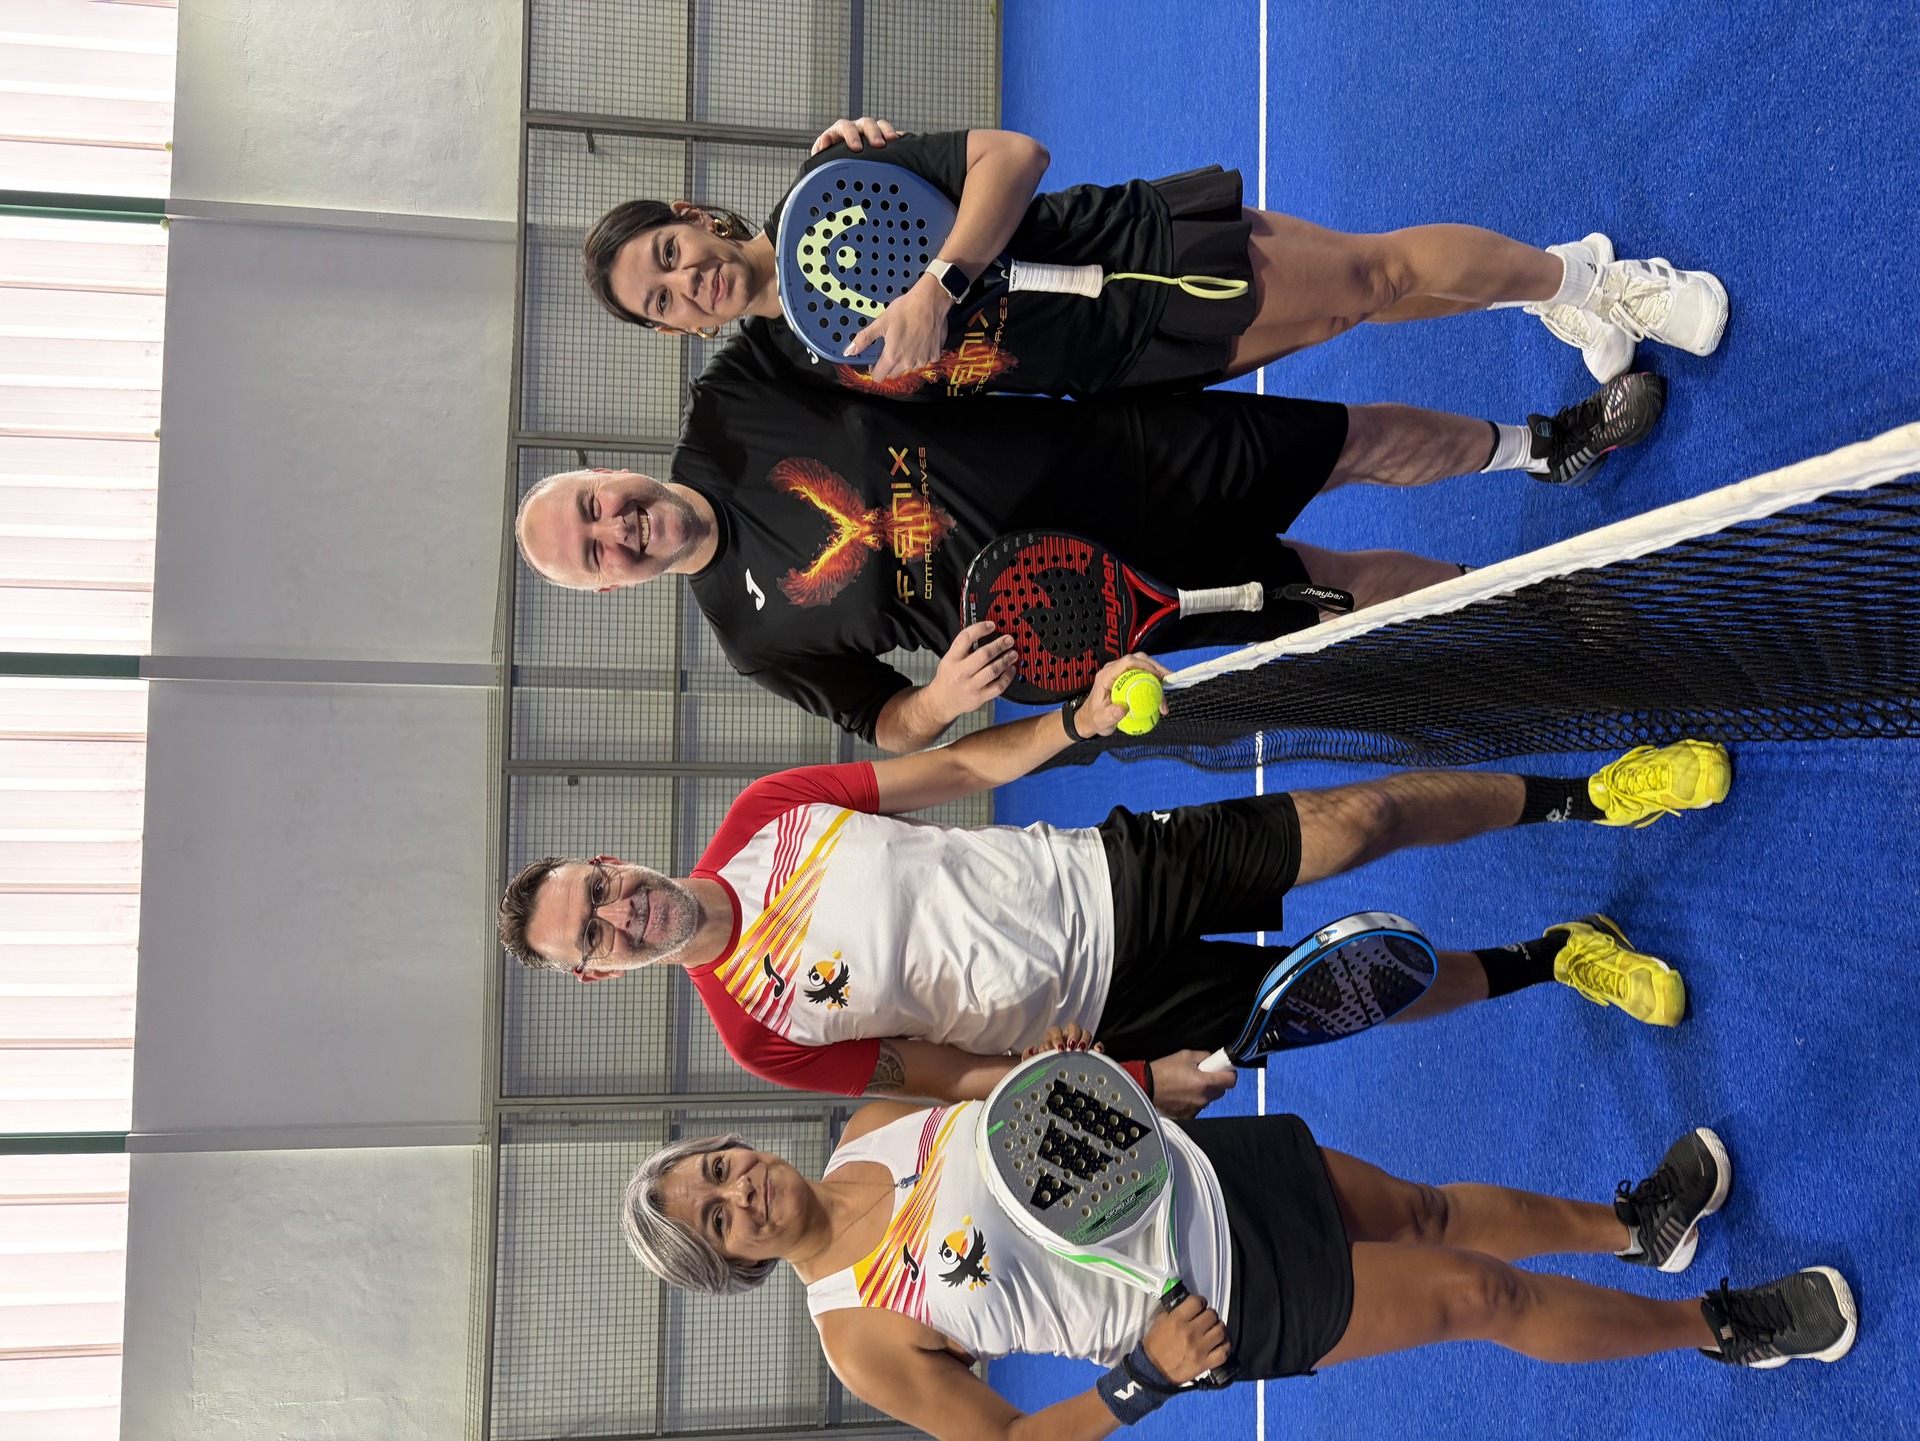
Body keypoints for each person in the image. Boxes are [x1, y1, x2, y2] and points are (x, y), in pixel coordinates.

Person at [495, 650, 1734, 1119]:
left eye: (597, 888)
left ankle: (1590, 794)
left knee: (1365, 820)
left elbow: (955, 767)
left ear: (610, 856)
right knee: (1365, 990)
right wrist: (1117, 1082)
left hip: (1106, 876)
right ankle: (1560, 955)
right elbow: (940, 1074)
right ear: (601, 973)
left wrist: (1073, 724)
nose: (618, 912)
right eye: (593, 935)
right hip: (1104, 1019)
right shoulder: (757, 1034)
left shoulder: (769, 816)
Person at [514, 333, 1666, 750]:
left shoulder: (730, 399)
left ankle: (1543, 444)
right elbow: (884, 723)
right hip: (1094, 603)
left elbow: (808, 291)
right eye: (596, 551)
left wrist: (849, 164)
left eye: (596, 505)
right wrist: (943, 698)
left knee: (1345, 442)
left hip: (1118, 454)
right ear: (611, 588)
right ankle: (1533, 601)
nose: (619, 528)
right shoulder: (751, 640)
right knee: (1326, 587)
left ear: (608, 472)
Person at [620, 1110, 1856, 1441]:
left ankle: (1637, 1224)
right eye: (721, 1220)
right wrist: (1142, 1382)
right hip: (1211, 1301)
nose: (744, 1192)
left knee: (1427, 1207)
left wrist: (1093, 1074)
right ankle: (1717, 1324)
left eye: (720, 1168)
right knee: (1483, 1295)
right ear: (732, 1265)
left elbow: (1020, 1099)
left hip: (1200, 1169)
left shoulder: (869, 1127)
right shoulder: (855, 1335)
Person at [584, 119, 1727, 394]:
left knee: (1372, 272)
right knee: (1355, 311)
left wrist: (939, 285)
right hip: (1114, 359)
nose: (689, 282)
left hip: (1127, 260)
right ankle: (1547, 291)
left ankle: (1598, 281)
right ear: (680, 331)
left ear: (691, 216)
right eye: (664, 300)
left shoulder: (832, 183)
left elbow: (1013, 158)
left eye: (671, 253)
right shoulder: (806, 373)